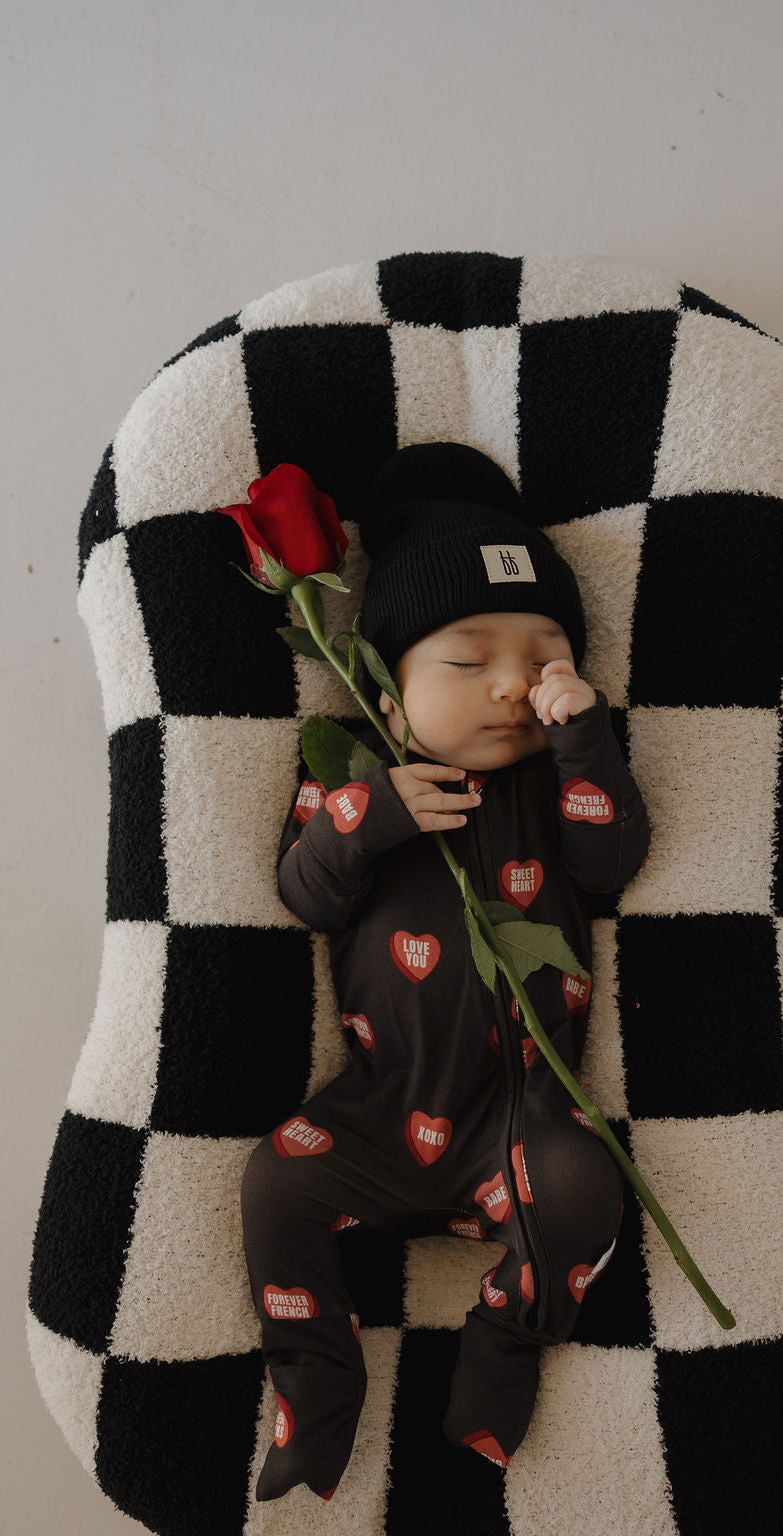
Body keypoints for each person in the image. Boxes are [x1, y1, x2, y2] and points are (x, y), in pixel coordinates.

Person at [240, 442, 651, 1501]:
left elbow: (610, 860)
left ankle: (503, 1348)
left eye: (546, 660)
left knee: (586, 1184)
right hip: (382, 1108)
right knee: (276, 1180)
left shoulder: (554, 783)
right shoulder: (356, 775)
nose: (515, 685)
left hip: (521, 1116)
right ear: (389, 690)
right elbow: (305, 893)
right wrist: (366, 817)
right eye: (469, 664)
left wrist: (586, 745)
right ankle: (316, 1380)